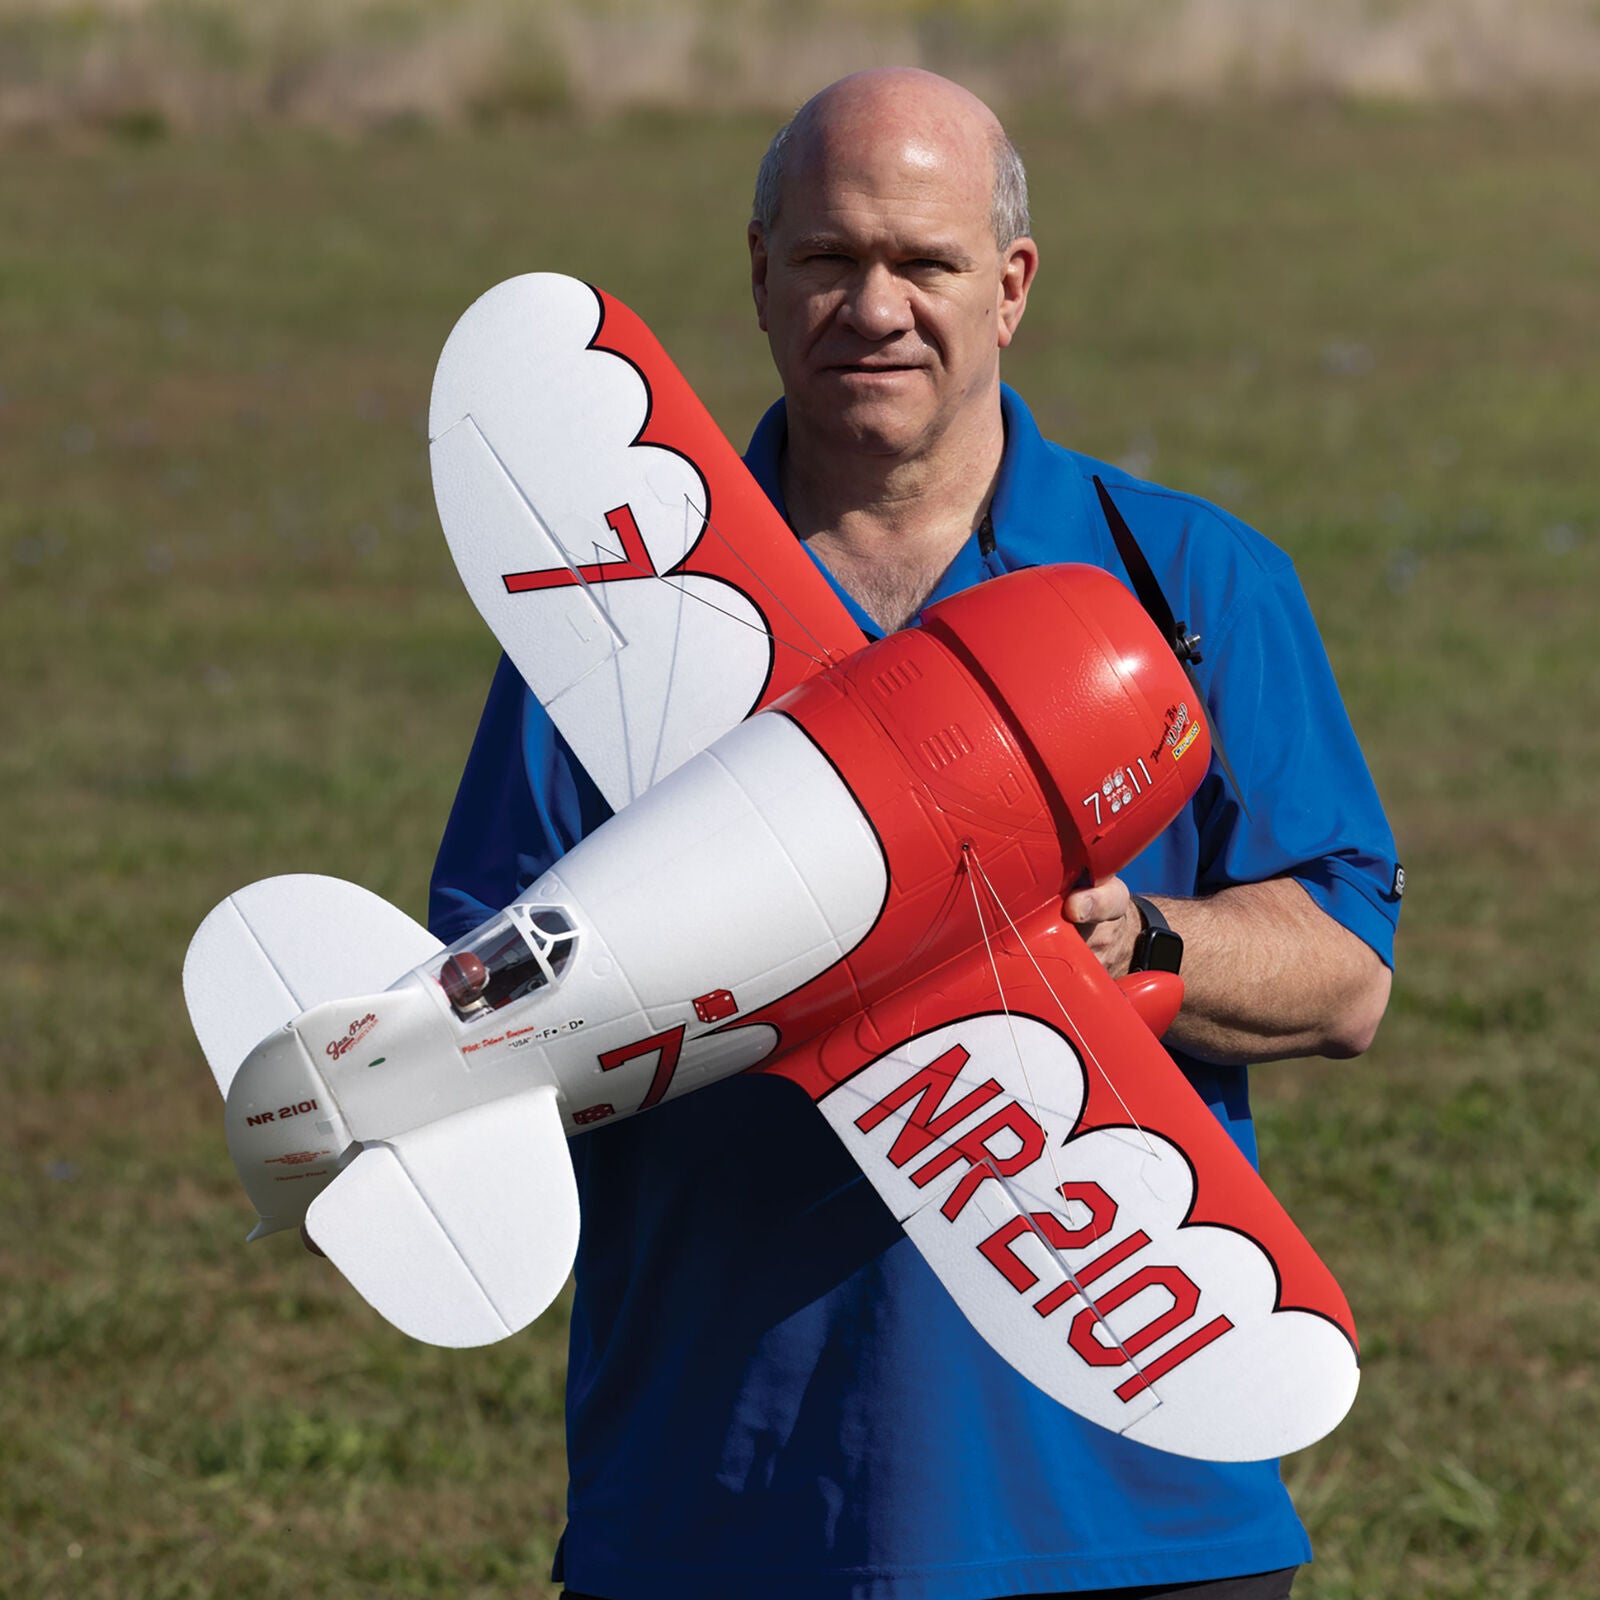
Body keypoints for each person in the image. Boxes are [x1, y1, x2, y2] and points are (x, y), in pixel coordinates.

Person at [428, 68, 1401, 1600]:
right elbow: (481, 987)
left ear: (1009, 287)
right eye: (829, 258)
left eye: (924, 263)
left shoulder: (1194, 581)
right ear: (760, 276)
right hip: (725, 1507)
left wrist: (1135, 937)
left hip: (1128, 1509)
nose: (874, 307)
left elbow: (1345, 975)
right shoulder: (613, 607)